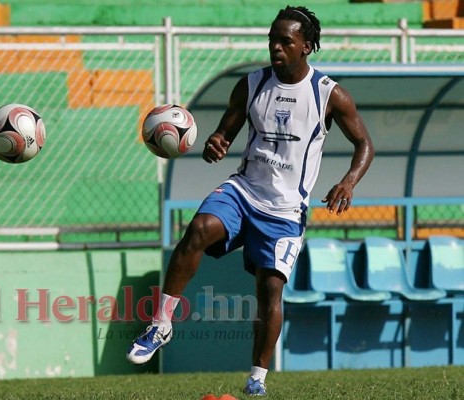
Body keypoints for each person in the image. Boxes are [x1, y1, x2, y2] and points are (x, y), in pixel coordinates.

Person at [127, 5, 374, 396]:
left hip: (286, 209)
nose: (275, 47)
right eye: (272, 39)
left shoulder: (329, 95)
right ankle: (160, 324)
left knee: (269, 291)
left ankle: (257, 377)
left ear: (306, 46)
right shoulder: (252, 84)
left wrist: (348, 182)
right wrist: (216, 143)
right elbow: (225, 133)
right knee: (199, 229)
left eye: (285, 41)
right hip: (244, 191)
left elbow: (364, 144)